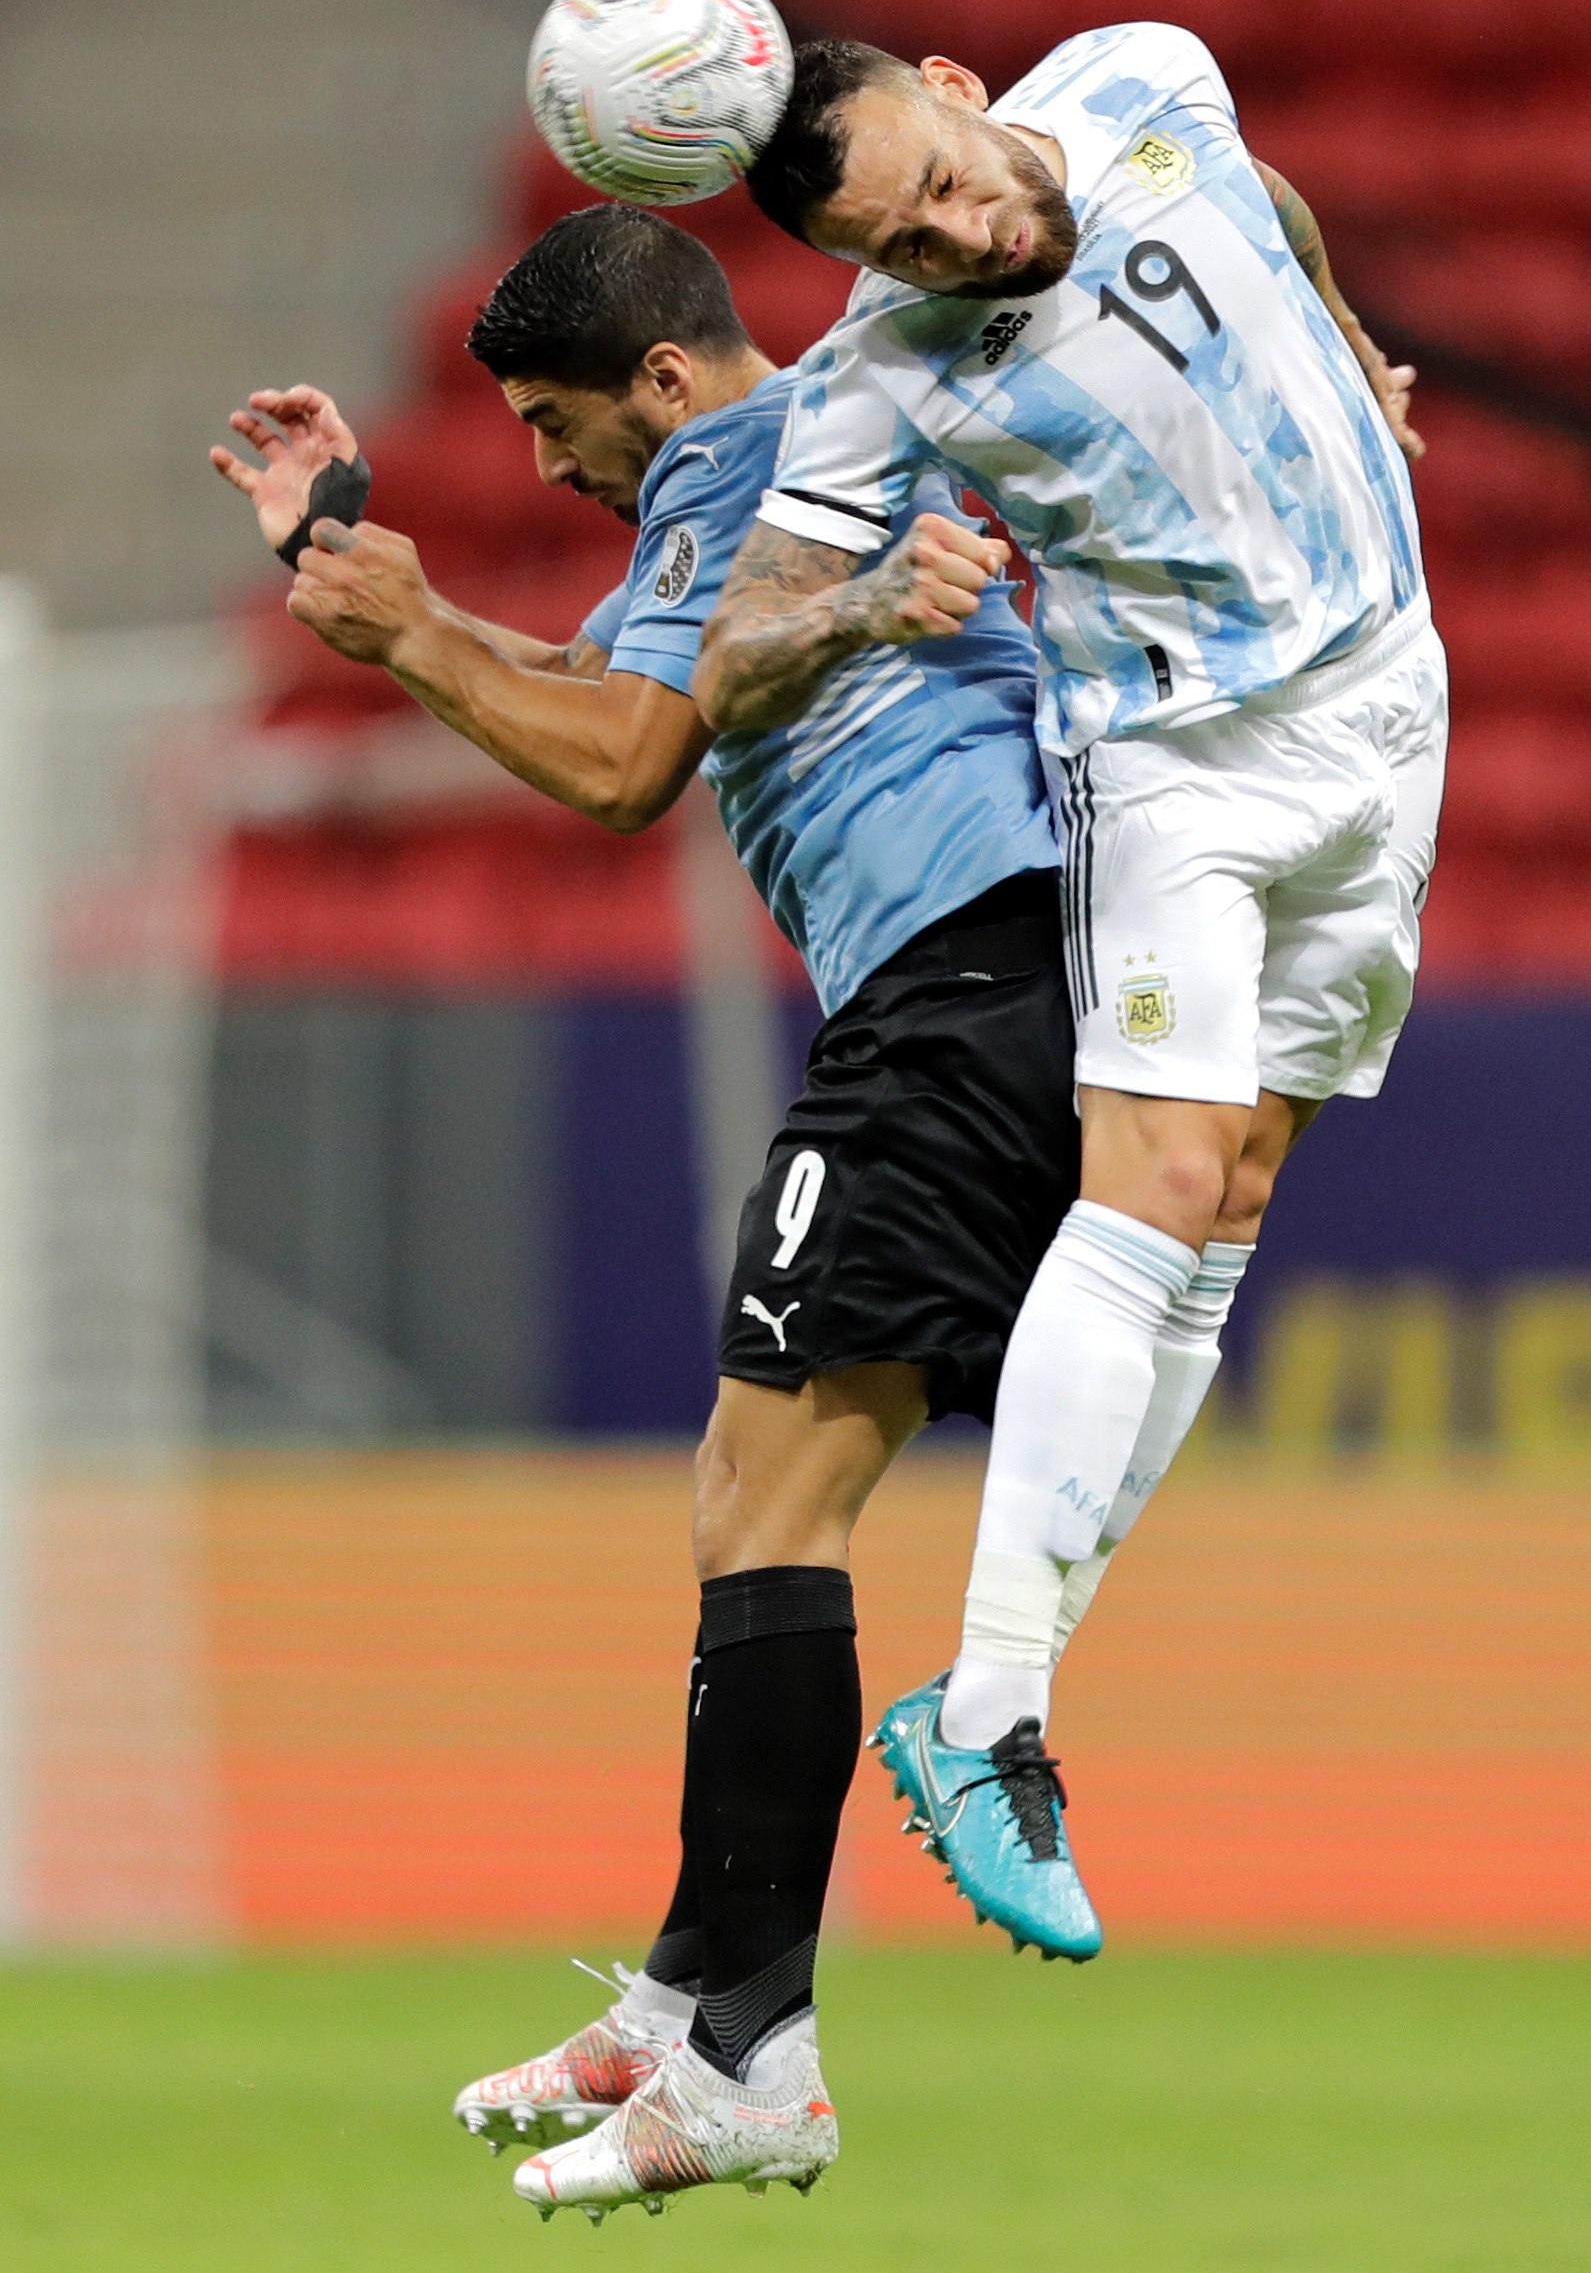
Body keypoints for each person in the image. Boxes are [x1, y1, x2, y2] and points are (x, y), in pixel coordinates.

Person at [212, 199, 1140, 2221]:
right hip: (964, 997)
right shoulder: (747, 488)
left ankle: (755, 2054)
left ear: (659, 377)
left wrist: (411, 638)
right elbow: (605, 678)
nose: (548, 468)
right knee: (744, 1482)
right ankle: (694, 1989)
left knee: (775, 1496)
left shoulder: (760, 465)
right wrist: (360, 574)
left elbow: (628, 759)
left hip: (962, 991)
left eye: (558, 423)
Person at [696, 22, 1446, 1956]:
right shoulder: (880, 373)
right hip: (1176, 766)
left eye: (943, 185)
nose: (959, 240)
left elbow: (1267, 196)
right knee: (1159, 1182)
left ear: (958, 86)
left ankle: (986, 1696)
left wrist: (1346, 344)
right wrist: (866, 599)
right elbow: (733, 656)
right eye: (905, 244)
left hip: (1388, 710)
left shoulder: (1142, 75)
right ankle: (998, 1712)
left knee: (1240, 1196)